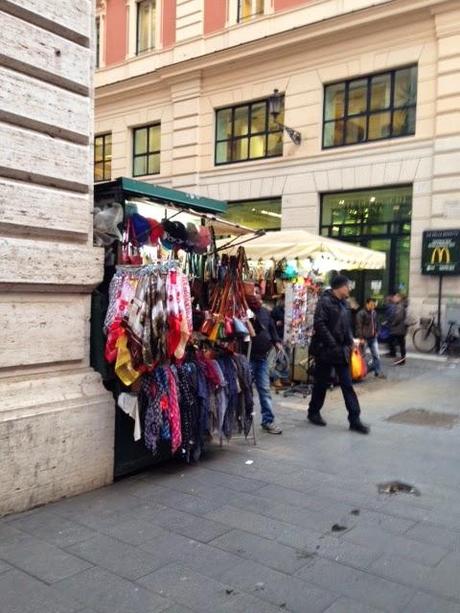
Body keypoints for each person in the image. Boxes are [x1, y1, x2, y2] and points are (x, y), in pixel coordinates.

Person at [307, 274, 370, 434]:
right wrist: (332, 343)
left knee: (347, 385)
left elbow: (347, 326)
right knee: (321, 383)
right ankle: (313, 412)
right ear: (339, 287)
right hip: (326, 350)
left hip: (341, 351)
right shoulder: (325, 302)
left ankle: (354, 419)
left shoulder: (344, 304)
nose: (349, 288)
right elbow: (319, 324)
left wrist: (350, 341)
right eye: (347, 286)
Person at [246, 285, 283, 434]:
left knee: (264, 390)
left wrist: (277, 342)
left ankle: (268, 421)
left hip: (261, 358)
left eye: (257, 292)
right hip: (246, 358)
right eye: (252, 292)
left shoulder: (265, 313)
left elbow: (272, 330)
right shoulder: (244, 312)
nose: (255, 295)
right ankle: (242, 421)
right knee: (245, 391)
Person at [356, 298, 386, 379]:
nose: (373, 306)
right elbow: (359, 326)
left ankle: (378, 372)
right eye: (372, 304)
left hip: (373, 338)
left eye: (374, 305)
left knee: (376, 355)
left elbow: (376, 323)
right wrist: (361, 338)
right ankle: (360, 372)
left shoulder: (374, 313)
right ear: (367, 304)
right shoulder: (361, 313)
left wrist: (377, 331)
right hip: (365, 338)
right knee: (362, 356)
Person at [388, 293, 407, 365]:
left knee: (398, 343)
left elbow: (398, 317)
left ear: (399, 298)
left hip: (398, 329)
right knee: (401, 344)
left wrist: (393, 323)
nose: (394, 299)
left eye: (395, 297)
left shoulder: (400, 306)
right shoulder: (400, 305)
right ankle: (401, 358)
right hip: (400, 328)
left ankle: (401, 359)